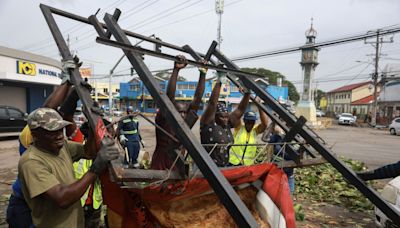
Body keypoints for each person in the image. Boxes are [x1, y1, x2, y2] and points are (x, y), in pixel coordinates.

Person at [6, 59, 81, 227]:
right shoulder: (30, 135)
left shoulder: (56, 142)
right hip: (25, 205)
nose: (57, 133)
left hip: (48, 204)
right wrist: (67, 81)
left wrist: (71, 88)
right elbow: (47, 110)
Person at [17, 107, 119, 228]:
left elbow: (88, 152)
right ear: (35, 135)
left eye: (61, 130)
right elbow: (62, 199)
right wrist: (95, 169)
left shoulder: (61, 147)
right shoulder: (31, 162)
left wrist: (93, 125)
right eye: (52, 132)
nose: (59, 136)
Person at [151, 55, 206, 170]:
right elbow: (169, 96)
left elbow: (197, 98)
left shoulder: (186, 123)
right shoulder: (164, 119)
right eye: (179, 111)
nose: (182, 115)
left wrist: (203, 73)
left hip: (178, 162)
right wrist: (176, 70)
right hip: (160, 163)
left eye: (184, 112)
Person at [200, 70, 251, 167]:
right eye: (221, 117)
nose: (225, 119)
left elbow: (240, 110)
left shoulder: (227, 124)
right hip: (207, 168)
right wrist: (219, 81)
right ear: (214, 116)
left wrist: (247, 94)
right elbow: (212, 103)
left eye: (226, 117)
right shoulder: (208, 123)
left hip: (224, 167)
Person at [269, 126, 296, 195]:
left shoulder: (296, 140)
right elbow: (265, 138)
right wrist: (272, 125)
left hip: (288, 174)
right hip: (276, 174)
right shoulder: (277, 137)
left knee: (289, 196)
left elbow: (296, 156)